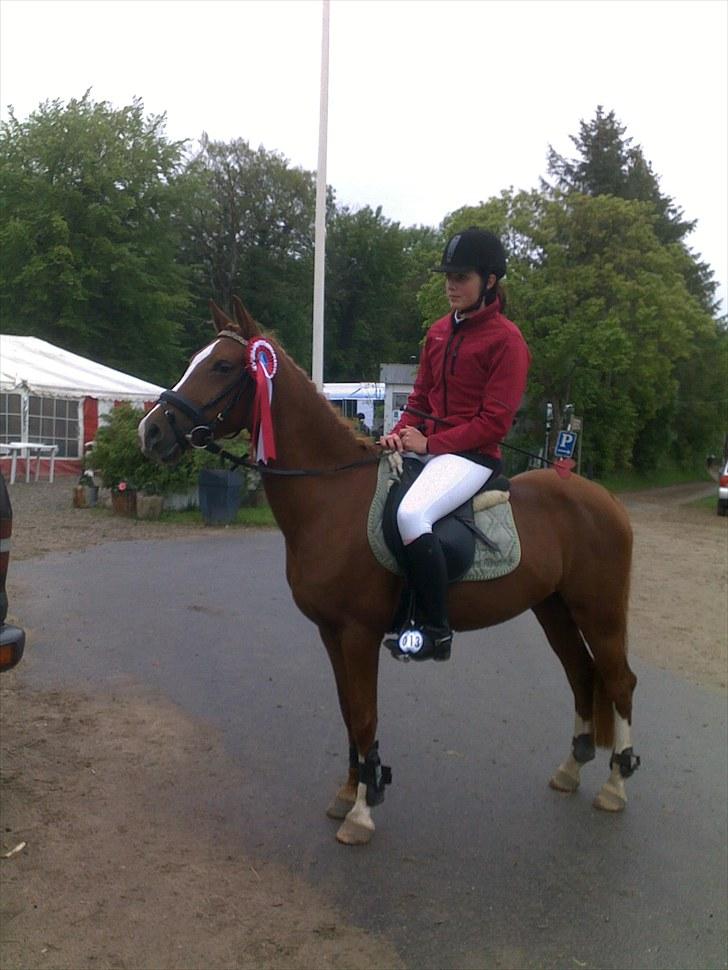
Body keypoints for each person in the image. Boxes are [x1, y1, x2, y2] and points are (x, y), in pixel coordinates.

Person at [379, 228, 531, 661]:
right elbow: (420, 398)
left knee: (411, 513)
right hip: (430, 446)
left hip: (472, 457)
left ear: (490, 281)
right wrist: (399, 431)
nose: (451, 284)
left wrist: (430, 445)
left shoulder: (507, 341)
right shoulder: (439, 332)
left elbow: (493, 423)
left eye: (461, 277)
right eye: (448, 276)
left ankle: (436, 629)